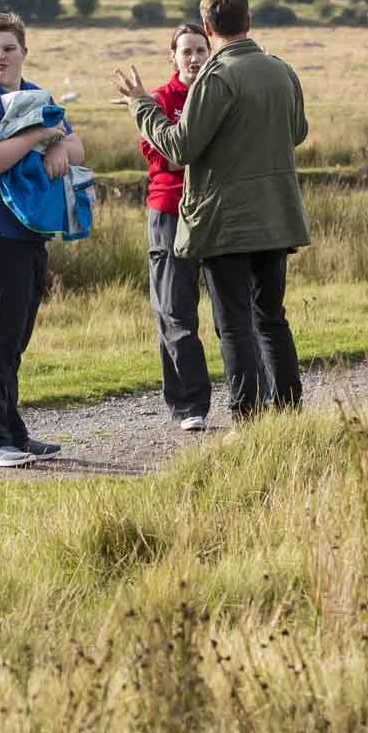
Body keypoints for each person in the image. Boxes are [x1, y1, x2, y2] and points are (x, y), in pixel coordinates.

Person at [115, 0, 310, 418]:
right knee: (271, 318)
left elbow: (180, 147)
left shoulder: (216, 77)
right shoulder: (282, 71)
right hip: (277, 216)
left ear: (208, 27)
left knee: (235, 323)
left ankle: (249, 415)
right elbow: (297, 133)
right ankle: (289, 411)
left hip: (227, 225)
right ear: (249, 20)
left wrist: (141, 107)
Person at [0, 11, 83, 467]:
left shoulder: (33, 95)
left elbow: (77, 146)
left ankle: (13, 433)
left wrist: (61, 145)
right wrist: (38, 137)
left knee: (16, 335)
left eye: (8, 48)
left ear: (24, 51)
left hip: (28, 233)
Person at [140, 24, 215, 431]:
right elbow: (165, 159)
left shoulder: (220, 94)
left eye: (201, 50)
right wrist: (199, 153)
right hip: (170, 210)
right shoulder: (159, 101)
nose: (194, 58)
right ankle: (190, 406)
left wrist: (188, 151)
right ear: (173, 56)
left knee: (231, 312)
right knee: (174, 310)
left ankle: (252, 398)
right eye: (186, 51)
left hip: (217, 210)